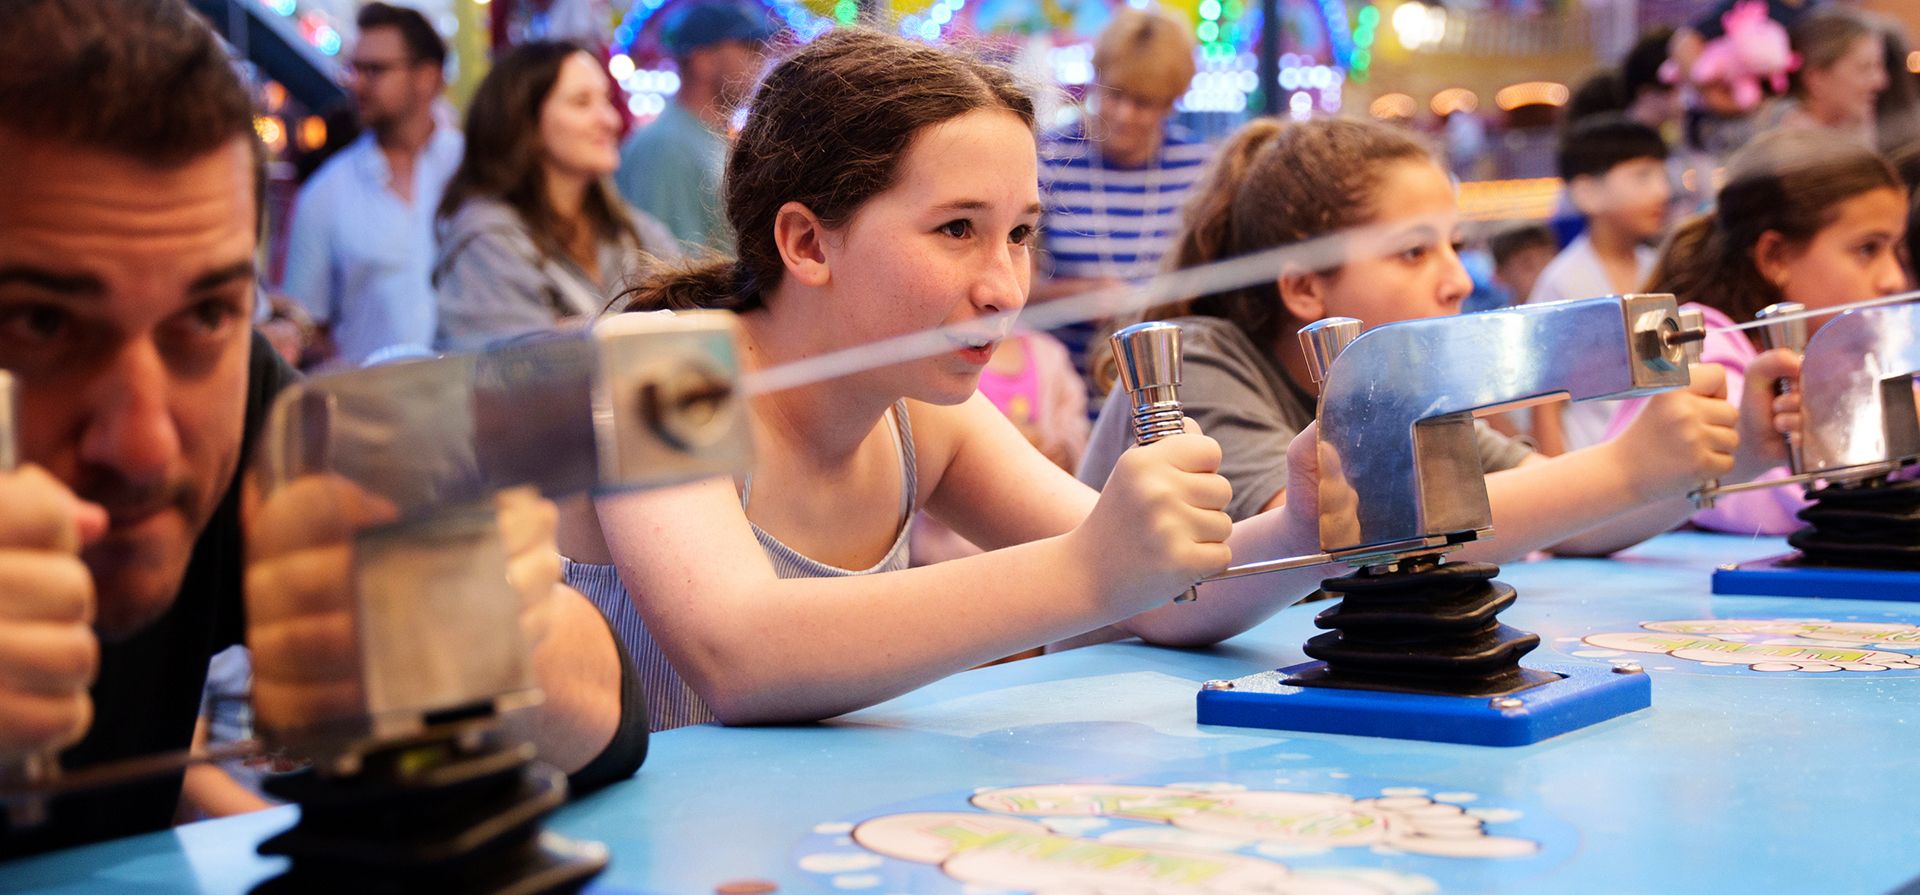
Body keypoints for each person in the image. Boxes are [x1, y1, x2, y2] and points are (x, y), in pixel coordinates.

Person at [0, 0, 646, 857]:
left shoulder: (256, 414)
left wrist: (490, 617)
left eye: (206, 314)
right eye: (42, 324)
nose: (145, 441)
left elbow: (609, 729)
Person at [557, 29, 1334, 732]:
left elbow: (1165, 593)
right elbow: (740, 655)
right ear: (806, 242)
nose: (1005, 287)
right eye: (957, 228)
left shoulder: (918, 411)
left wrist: (1306, 524)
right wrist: (1091, 568)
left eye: (1021, 234)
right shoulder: (652, 362)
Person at [1077, 118, 1793, 565]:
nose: (1456, 280)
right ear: (1302, 289)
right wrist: (1627, 468)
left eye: (1455, 246)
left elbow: (1564, 519)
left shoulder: (1405, 393)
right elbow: (1330, 539)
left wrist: (1728, 460)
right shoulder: (1205, 360)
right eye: (1414, 253)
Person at [1625, 127, 1908, 535]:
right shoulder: (1702, 350)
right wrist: (1898, 423)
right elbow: (1788, 503)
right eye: (1868, 249)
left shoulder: (1847, 355)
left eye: (1896, 251)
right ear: (1775, 256)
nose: (1893, 279)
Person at [434, 41, 679, 353]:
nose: (610, 120)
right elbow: (512, 368)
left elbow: (692, 318)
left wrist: (566, 331)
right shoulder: (486, 240)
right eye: (581, 102)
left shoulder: (630, 228)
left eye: (605, 100)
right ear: (525, 121)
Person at [1032, 7, 1210, 405]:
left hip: (1175, 393)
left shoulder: (1198, 169)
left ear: (1170, 103)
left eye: (1143, 103)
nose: (1122, 114)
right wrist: (1077, 295)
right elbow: (1010, 289)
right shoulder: (1047, 157)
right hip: (1065, 399)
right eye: (1112, 94)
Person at [281, 3, 464, 367]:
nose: (357, 84)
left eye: (375, 70)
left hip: (476, 404)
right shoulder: (325, 193)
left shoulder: (473, 168)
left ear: (427, 77)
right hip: (374, 411)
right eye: (354, 69)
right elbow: (302, 324)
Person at [1528, 115, 1671, 455]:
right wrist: (1560, 483)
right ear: (1587, 192)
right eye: (1643, 176)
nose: (1662, 191)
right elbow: (1545, 404)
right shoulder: (1564, 282)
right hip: (1594, 460)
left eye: (1662, 174)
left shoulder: (1658, 268)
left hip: (1658, 462)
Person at [614, 0, 773, 254]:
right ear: (703, 60)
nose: (763, 61)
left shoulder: (706, 138)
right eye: (750, 48)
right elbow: (666, 273)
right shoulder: (665, 147)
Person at [1761, 7, 1889, 148]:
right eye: (1864, 68)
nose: (1881, 81)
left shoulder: (1861, 134)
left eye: (1878, 66)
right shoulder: (1782, 155)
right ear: (1816, 79)